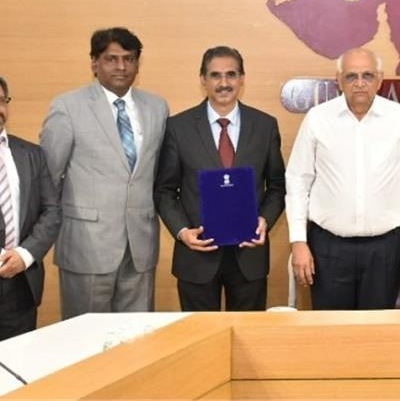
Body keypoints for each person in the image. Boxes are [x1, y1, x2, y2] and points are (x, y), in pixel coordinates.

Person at [286, 47, 400, 310]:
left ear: (380, 79)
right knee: (331, 333)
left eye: (367, 75)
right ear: (338, 80)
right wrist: (298, 242)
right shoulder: (317, 119)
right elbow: (297, 182)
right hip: (328, 248)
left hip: (386, 248)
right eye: (351, 76)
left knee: (377, 335)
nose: (360, 83)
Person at [40, 27, 168, 319]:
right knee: (83, 341)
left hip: (140, 246)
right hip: (86, 244)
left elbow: (159, 175)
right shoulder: (67, 107)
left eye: (129, 58)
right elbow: (48, 177)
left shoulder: (157, 108)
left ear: (138, 63)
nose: (121, 66)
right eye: (111, 59)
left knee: (135, 339)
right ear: (94, 63)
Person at [154, 46, 285, 311]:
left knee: (248, 338)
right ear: (203, 79)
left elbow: (277, 187)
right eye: (215, 75)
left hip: (249, 255)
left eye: (231, 75)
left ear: (242, 78)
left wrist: (265, 221)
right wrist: (182, 232)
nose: (223, 83)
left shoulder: (265, 126)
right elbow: (165, 191)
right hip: (196, 257)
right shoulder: (178, 128)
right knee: (199, 341)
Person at [0, 77, 61, 340]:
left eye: (2, 101)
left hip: (21, 283)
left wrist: (25, 255)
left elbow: (51, 211)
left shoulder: (31, 154)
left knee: (18, 370)